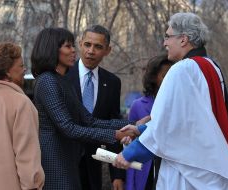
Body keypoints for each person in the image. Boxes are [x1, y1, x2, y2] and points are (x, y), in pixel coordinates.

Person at [114, 12, 228, 190]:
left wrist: (130, 153)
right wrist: (140, 129)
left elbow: (165, 124)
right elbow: (188, 120)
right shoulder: (211, 66)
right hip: (211, 167)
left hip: (187, 172)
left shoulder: (181, 69)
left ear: (183, 39)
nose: (165, 43)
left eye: (168, 36)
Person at [31, 28, 144, 190]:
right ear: (52, 49)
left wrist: (136, 124)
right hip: (55, 163)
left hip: (69, 162)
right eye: (68, 46)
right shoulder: (47, 81)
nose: (74, 51)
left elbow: (89, 120)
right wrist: (115, 134)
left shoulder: (61, 81)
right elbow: (68, 128)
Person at [68, 25, 125, 190]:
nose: (91, 51)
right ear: (80, 44)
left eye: (98, 47)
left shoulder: (112, 82)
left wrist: (117, 175)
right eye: (87, 44)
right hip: (65, 165)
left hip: (94, 167)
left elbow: (113, 124)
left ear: (108, 50)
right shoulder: (63, 76)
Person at [0, 42, 44, 190]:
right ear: (8, 71)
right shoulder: (21, 104)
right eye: (21, 66)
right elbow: (27, 158)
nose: (24, 70)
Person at [126, 54, 173, 190]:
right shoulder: (138, 105)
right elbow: (130, 145)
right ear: (153, 77)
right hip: (144, 172)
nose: (169, 80)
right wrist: (130, 184)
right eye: (165, 76)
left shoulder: (179, 104)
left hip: (170, 171)